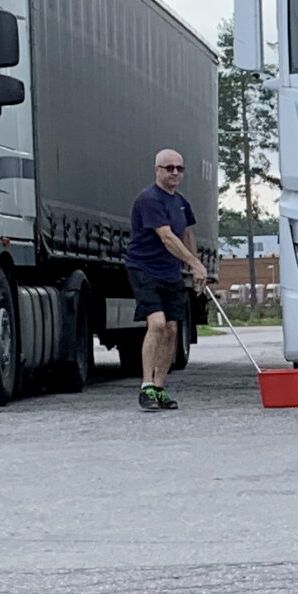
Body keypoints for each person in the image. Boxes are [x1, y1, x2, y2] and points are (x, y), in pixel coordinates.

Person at [125, 148, 207, 411]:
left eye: (179, 168)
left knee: (172, 329)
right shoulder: (149, 199)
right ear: (157, 170)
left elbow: (186, 234)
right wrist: (193, 263)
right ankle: (146, 386)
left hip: (170, 271)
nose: (174, 173)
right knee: (158, 324)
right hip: (144, 268)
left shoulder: (181, 202)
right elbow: (167, 236)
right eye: (169, 168)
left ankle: (159, 388)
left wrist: (197, 268)